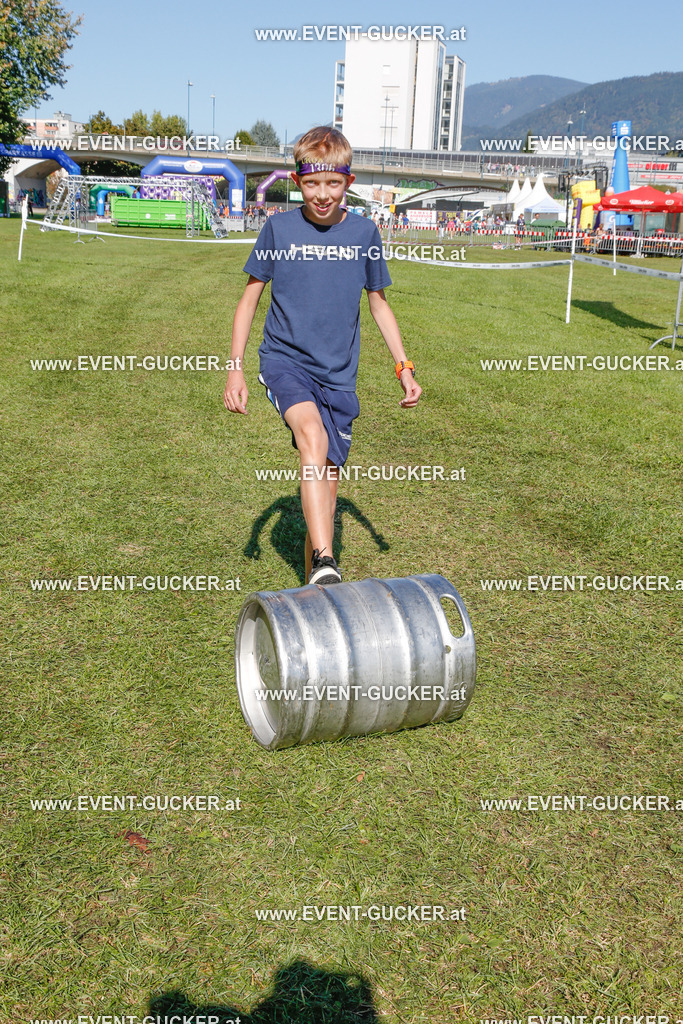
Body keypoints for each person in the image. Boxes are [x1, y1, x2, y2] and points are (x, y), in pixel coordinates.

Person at [223, 126, 421, 586]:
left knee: (327, 483)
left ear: (348, 182)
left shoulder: (364, 232)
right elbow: (249, 299)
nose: (322, 194)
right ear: (297, 181)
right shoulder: (279, 228)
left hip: (338, 377)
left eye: (333, 183)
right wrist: (235, 370)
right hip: (284, 362)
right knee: (311, 438)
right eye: (312, 183)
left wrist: (403, 367)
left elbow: (379, 303)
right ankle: (328, 564)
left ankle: (318, 583)